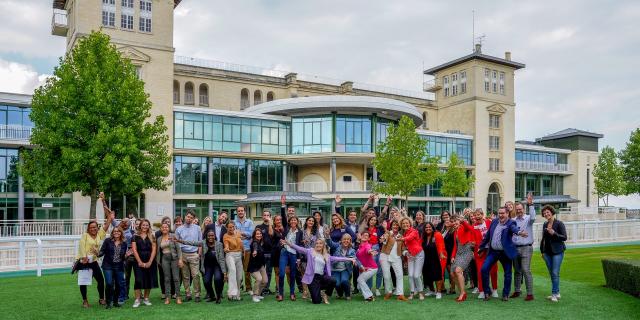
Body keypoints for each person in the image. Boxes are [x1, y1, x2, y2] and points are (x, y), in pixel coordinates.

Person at [478, 207, 528, 301]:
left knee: (508, 274)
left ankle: (505, 294)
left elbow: (514, 229)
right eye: (499, 213)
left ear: (507, 214)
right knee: (484, 269)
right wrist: (481, 246)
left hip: (505, 253)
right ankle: (487, 292)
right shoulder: (494, 221)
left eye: (503, 213)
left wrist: (519, 232)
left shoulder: (511, 223)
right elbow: (488, 236)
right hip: (493, 252)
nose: (501, 215)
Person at [285, 238, 355, 304]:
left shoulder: (326, 255)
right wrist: (288, 243)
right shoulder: (310, 251)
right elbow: (299, 249)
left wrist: (350, 259)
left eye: (320, 243)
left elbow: (338, 258)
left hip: (321, 277)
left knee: (333, 280)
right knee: (317, 301)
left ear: (323, 245)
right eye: (317, 243)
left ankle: (325, 294)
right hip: (312, 279)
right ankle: (316, 293)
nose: (318, 245)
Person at [175, 229, 226, 304]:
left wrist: (224, 272)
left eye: (212, 235)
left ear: (214, 236)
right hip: (207, 266)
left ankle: (218, 297)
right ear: (206, 236)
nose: (210, 237)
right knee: (206, 281)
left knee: (217, 279)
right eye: (209, 236)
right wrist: (180, 241)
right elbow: (192, 243)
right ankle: (212, 296)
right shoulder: (203, 243)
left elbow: (221, 259)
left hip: (217, 266)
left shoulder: (219, 244)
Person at [77, 215, 112, 308]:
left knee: (100, 280)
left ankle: (101, 299)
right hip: (84, 262)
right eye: (91, 227)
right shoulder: (85, 235)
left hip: (93, 261)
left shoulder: (99, 234)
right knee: (84, 282)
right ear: (88, 228)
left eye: (95, 227)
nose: (93, 229)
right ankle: (85, 301)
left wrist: (110, 217)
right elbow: (81, 246)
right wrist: (84, 257)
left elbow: (106, 226)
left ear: (97, 228)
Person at [278, 195, 304, 301]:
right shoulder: (286, 227)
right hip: (284, 252)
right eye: (291, 220)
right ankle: (280, 294)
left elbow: (300, 246)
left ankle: (292, 293)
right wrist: (283, 205)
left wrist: (298, 258)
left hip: (293, 253)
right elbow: (283, 216)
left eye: (295, 221)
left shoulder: (300, 232)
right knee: (281, 273)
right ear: (289, 222)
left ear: (297, 222)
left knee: (293, 274)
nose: (293, 222)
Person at [511, 193, 536, 301]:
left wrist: (531, 204)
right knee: (517, 271)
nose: (519, 211)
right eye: (517, 209)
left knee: (526, 270)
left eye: (520, 209)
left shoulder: (528, 219)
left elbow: (533, 217)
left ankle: (530, 293)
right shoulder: (513, 220)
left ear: (524, 209)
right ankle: (517, 290)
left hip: (526, 247)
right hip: (515, 248)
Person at [540, 205, 567, 303]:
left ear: (552, 212)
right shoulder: (544, 224)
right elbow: (543, 239)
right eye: (544, 213)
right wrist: (542, 251)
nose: (546, 214)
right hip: (547, 252)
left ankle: (554, 294)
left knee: (555, 273)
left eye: (547, 212)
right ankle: (557, 292)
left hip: (558, 252)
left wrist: (554, 233)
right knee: (552, 273)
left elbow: (564, 237)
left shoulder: (559, 224)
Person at [175, 211, 202, 302]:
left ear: (193, 219)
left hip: (194, 254)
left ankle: (197, 294)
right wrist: (180, 257)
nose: (189, 218)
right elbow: (177, 244)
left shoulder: (197, 228)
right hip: (183, 254)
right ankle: (188, 294)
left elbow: (200, 242)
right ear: (185, 216)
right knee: (185, 276)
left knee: (196, 275)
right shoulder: (179, 229)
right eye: (188, 216)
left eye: (191, 217)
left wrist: (199, 254)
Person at [131, 219, 158, 307]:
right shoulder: (135, 236)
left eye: (147, 225)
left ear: (149, 226)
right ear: (140, 226)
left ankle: (146, 298)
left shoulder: (152, 236)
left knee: (148, 279)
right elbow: (134, 250)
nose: (145, 227)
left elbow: (154, 250)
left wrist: (150, 262)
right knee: (138, 280)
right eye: (143, 225)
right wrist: (139, 262)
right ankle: (137, 299)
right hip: (138, 260)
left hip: (150, 259)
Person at [472, 208, 498, 299]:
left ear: (482, 215)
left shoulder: (489, 222)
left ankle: (494, 289)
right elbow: (473, 239)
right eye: (475, 215)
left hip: (491, 250)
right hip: (479, 251)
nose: (477, 216)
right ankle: (482, 290)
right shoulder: (474, 226)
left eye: (479, 214)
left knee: (493, 270)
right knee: (480, 271)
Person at [99, 227, 127, 308]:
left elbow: (123, 257)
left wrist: (126, 256)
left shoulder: (124, 243)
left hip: (119, 266)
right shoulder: (108, 241)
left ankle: (115, 302)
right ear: (112, 233)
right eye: (114, 231)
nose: (116, 232)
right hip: (108, 265)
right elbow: (102, 251)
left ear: (121, 233)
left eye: (118, 231)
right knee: (109, 283)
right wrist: (98, 253)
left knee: (119, 284)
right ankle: (108, 302)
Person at [397, 217, 424, 300]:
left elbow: (410, 238)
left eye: (407, 223)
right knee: (410, 275)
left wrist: (401, 239)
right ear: (401, 225)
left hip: (419, 254)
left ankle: (420, 293)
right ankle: (412, 293)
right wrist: (406, 253)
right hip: (410, 256)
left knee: (416, 275)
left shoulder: (414, 231)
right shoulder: (403, 234)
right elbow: (404, 246)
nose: (405, 224)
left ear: (410, 224)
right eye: (403, 223)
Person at [450, 212, 475, 302]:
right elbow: (455, 246)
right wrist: (452, 256)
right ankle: (462, 292)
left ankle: (462, 293)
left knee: (458, 271)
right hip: (458, 253)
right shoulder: (454, 232)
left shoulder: (464, 227)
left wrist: (463, 222)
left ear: (459, 222)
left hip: (467, 251)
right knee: (452, 273)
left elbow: (471, 229)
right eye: (453, 222)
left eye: (456, 222)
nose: (455, 223)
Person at [379, 220, 407, 301]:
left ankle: (400, 294)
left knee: (400, 275)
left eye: (397, 225)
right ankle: (388, 292)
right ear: (391, 226)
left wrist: (406, 253)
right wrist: (383, 238)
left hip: (396, 257)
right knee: (387, 276)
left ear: (399, 227)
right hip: (385, 256)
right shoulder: (388, 233)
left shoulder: (401, 236)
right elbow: (383, 241)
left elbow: (403, 248)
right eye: (394, 225)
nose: (395, 227)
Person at [156, 223, 182, 305]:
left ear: (168, 228)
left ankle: (178, 297)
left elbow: (178, 249)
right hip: (165, 259)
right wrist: (158, 261)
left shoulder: (173, 236)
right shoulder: (159, 239)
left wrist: (180, 259)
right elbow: (158, 251)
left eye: (166, 227)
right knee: (166, 279)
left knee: (176, 278)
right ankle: (167, 297)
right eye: (163, 227)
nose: (164, 228)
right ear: (161, 228)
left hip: (174, 258)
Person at [326, 233, 356, 300]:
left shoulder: (352, 250)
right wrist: (328, 236)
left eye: (348, 239)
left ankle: (347, 294)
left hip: (345, 269)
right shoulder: (337, 247)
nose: (346, 241)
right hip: (335, 269)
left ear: (350, 241)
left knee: (344, 281)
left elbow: (354, 258)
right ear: (341, 240)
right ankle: (340, 294)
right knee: (337, 283)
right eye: (344, 239)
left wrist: (355, 262)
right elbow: (330, 243)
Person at [422, 222, 447, 300]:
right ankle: (432, 290)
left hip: (436, 258)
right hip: (426, 258)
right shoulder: (424, 236)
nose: (428, 229)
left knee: (437, 275)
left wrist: (441, 254)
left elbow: (441, 245)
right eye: (426, 227)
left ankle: (439, 292)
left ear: (433, 228)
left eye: (429, 227)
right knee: (427, 275)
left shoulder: (437, 234)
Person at [360, 215, 384, 296]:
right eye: (371, 219)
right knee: (370, 270)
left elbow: (383, 238)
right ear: (369, 220)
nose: (373, 221)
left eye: (375, 220)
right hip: (369, 249)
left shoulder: (379, 229)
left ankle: (377, 288)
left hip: (378, 249)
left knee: (379, 270)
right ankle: (369, 288)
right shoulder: (365, 230)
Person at [234, 205, 255, 295]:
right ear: (237, 212)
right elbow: (233, 234)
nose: (240, 212)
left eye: (242, 211)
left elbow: (251, 234)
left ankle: (249, 288)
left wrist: (240, 233)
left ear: (244, 212)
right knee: (237, 270)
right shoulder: (233, 222)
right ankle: (238, 287)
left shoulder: (249, 222)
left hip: (247, 249)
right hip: (237, 249)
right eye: (239, 211)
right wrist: (244, 235)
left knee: (247, 270)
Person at [300, 216, 322, 299]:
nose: (311, 222)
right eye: (309, 220)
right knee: (304, 273)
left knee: (313, 273)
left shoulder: (316, 232)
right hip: (304, 255)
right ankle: (305, 291)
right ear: (306, 221)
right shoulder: (302, 231)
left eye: (312, 221)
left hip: (314, 255)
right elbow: (298, 242)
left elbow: (320, 242)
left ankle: (313, 290)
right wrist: (303, 241)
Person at [254, 210, 275, 295]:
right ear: (262, 217)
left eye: (268, 215)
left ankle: (266, 288)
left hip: (270, 252)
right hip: (261, 253)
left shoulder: (273, 227)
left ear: (270, 217)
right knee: (260, 272)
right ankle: (258, 289)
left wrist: (270, 223)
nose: (266, 216)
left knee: (269, 272)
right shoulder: (259, 226)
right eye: (264, 215)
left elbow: (271, 234)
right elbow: (255, 238)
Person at [154, 216, 174, 300]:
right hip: (161, 257)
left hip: (172, 257)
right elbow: (156, 246)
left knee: (172, 275)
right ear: (162, 223)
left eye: (168, 222)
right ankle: (163, 292)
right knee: (162, 275)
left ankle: (173, 293)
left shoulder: (172, 233)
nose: (167, 223)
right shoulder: (157, 233)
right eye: (165, 221)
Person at [223, 222, 244, 301]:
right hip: (230, 255)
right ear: (227, 228)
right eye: (229, 227)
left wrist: (243, 252)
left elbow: (242, 242)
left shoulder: (238, 233)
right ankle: (231, 293)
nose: (231, 228)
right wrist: (226, 248)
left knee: (239, 276)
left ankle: (237, 294)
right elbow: (226, 245)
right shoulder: (225, 236)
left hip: (239, 255)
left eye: (233, 227)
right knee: (232, 270)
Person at [355, 231, 378, 302]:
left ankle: (370, 297)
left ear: (368, 238)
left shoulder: (367, 245)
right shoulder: (359, 246)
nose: (365, 236)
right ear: (360, 237)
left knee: (360, 280)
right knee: (359, 286)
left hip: (372, 268)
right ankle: (367, 294)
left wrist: (371, 252)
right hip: (364, 268)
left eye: (367, 236)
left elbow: (368, 250)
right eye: (364, 235)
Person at [248, 228, 269, 302]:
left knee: (265, 281)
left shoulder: (261, 243)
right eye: (257, 234)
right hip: (253, 266)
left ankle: (258, 294)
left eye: (260, 234)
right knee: (259, 279)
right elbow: (255, 247)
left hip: (260, 265)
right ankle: (254, 296)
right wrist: (255, 251)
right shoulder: (255, 242)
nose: (259, 235)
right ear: (254, 235)